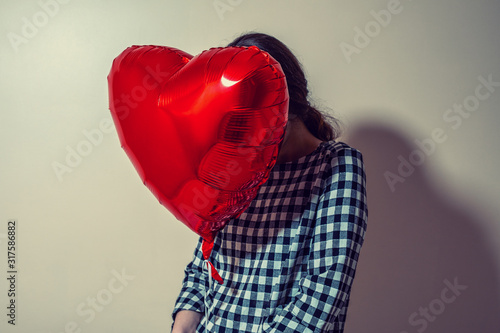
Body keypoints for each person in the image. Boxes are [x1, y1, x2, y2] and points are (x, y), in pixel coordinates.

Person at [171, 32, 368, 333]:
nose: (250, 131)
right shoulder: (234, 167)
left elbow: (323, 293)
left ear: (289, 101)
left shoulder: (336, 166)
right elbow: (203, 269)